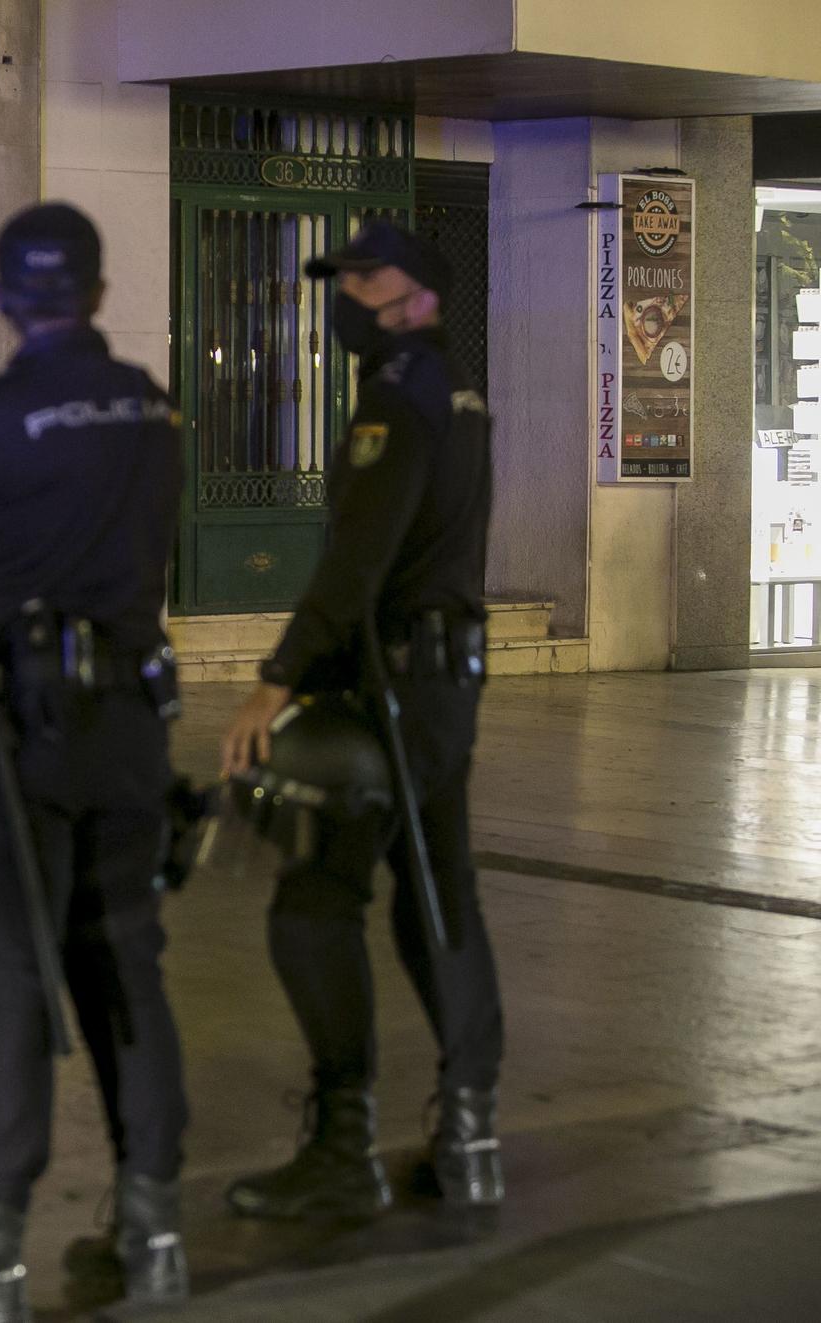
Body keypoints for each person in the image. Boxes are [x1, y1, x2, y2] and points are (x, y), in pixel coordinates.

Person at [0, 202, 191, 1323]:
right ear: (98, 293)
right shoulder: (154, 409)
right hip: (129, 728)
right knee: (125, 966)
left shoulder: (0, 412)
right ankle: (154, 1234)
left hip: (19, 734)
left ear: (5, 296)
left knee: (6, 981)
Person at [220, 220, 505, 1221]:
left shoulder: (394, 401)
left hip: (391, 684)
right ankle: (469, 1136)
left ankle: (342, 1149)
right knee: (437, 899)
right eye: (339, 279)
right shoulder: (459, 392)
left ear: (418, 292)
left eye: (365, 278)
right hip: (443, 683)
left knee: (315, 897)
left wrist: (277, 678)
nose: (345, 295)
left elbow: (357, 561)